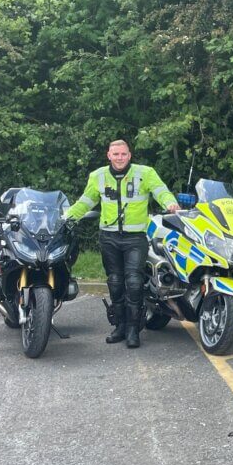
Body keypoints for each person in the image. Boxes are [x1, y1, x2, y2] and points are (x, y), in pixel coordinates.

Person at [65, 139, 179, 348]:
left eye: (123, 154)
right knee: (115, 282)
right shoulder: (98, 176)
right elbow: (86, 201)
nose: (119, 158)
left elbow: (160, 190)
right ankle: (120, 326)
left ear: (130, 155)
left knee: (134, 283)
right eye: (115, 154)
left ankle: (134, 330)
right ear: (108, 155)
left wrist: (170, 203)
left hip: (135, 238)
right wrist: (66, 218)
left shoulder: (145, 173)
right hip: (109, 238)